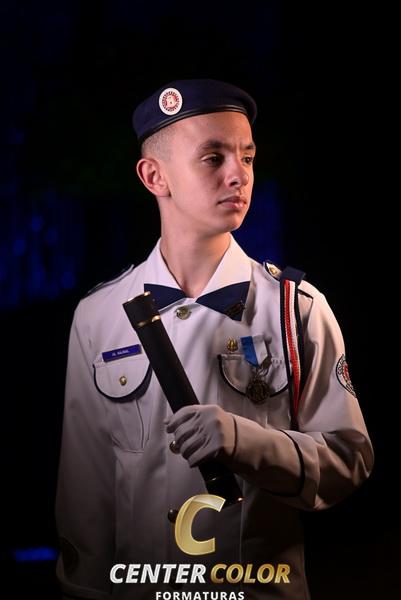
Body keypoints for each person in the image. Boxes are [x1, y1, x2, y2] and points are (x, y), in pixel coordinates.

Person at [55, 79, 374, 600]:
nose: (239, 174)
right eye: (213, 157)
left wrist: (243, 441)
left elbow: (348, 460)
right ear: (154, 176)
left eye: (247, 157)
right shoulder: (98, 316)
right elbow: (84, 494)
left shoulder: (296, 307)